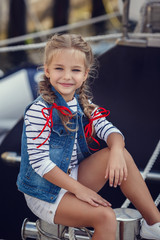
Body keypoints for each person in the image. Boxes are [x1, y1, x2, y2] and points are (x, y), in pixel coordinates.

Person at [17, 34, 160, 240]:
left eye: (75, 70)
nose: (67, 76)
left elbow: (111, 130)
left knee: (119, 153)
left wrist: (118, 151)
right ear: (47, 71)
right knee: (105, 216)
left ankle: (154, 223)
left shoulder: (84, 104)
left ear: (85, 74)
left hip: (72, 177)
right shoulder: (39, 111)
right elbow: (40, 163)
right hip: (45, 192)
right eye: (59, 68)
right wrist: (81, 191)